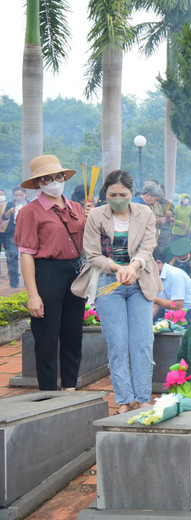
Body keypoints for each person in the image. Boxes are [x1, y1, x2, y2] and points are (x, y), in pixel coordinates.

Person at [73, 170, 161, 414]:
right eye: (113, 194)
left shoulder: (145, 213)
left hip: (139, 281)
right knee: (117, 344)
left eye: (123, 194)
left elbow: (148, 246)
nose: (118, 198)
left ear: (132, 193)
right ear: (106, 194)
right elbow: (92, 253)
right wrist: (116, 268)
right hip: (108, 282)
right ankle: (123, 399)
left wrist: (133, 267)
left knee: (142, 342)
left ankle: (143, 397)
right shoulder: (97, 216)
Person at [15, 155, 90, 391]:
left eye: (59, 177)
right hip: (47, 273)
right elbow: (26, 254)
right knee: (46, 338)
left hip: (75, 273)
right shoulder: (30, 212)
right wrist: (33, 295)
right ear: (38, 183)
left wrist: (89, 218)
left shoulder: (76, 208)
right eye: (47, 179)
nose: (55, 182)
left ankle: (70, 388)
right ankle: (48, 393)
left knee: (73, 334)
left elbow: (88, 241)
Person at [153, 247, 191, 320]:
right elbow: (155, 306)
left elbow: (177, 305)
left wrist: (153, 298)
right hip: (174, 312)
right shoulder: (154, 276)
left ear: (158, 263)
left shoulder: (175, 274)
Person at [0, 187, 25, 288]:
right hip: (12, 233)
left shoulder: (29, 204)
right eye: (16, 195)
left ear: (25, 195)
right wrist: (9, 212)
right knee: (12, 257)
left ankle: (27, 282)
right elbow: (4, 217)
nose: (18, 197)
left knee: (27, 256)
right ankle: (14, 282)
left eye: (21, 195)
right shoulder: (10, 204)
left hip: (26, 232)